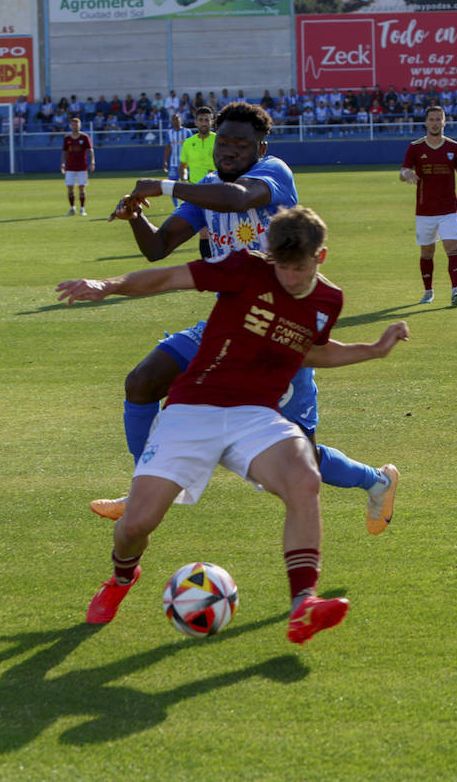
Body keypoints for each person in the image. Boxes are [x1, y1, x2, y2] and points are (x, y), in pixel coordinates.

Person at [57, 206, 411, 643]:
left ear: (320, 258)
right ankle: (121, 579)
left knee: (303, 477)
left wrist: (373, 350)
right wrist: (105, 286)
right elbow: (168, 278)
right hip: (193, 408)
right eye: (280, 266)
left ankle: (304, 603)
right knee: (135, 525)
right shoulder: (244, 269)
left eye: (299, 268)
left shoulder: (328, 301)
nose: (289, 278)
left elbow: (309, 352)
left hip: (255, 414)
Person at [96, 102, 400, 535]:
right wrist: (138, 217)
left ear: (262, 146)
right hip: (225, 326)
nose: (230, 151)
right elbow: (159, 248)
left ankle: (377, 480)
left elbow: (238, 198)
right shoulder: (205, 188)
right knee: (142, 382)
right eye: (224, 142)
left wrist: (165, 186)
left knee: (299, 458)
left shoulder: (274, 174)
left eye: (242, 144)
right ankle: (143, 489)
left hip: (279, 333)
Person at [400, 104, 457, 306]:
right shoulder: (415, 147)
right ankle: (428, 291)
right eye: (432, 119)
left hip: (449, 210)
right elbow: (403, 171)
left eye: (439, 119)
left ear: (445, 121)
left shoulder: (454, 147)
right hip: (425, 211)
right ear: (426, 122)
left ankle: (456, 289)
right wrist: (406, 174)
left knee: (452, 248)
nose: (435, 123)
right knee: (427, 253)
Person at [179, 106, 217, 259]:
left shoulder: (219, 140)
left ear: (211, 122)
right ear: (195, 122)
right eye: (201, 120)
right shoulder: (188, 143)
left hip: (218, 188)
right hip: (197, 191)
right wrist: (183, 179)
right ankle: (208, 263)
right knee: (204, 231)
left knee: (221, 228)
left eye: (207, 120)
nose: (204, 123)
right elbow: (183, 165)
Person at [61, 116, 94, 216]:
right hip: (70, 167)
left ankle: (82, 209)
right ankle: (72, 208)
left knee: (82, 188)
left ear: (80, 125)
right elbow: (64, 152)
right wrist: (63, 164)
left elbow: (90, 150)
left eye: (77, 124)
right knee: (70, 188)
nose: (75, 126)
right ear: (70, 126)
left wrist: (92, 162)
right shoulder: (67, 138)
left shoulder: (84, 137)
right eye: (73, 124)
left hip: (82, 167)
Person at [161, 112, 192, 208]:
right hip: (174, 163)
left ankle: (188, 204)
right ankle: (176, 206)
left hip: (186, 163)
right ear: (171, 121)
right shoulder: (169, 133)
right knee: (172, 186)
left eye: (177, 119)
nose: (176, 121)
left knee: (188, 184)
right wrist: (165, 160)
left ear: (181, 120)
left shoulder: (187, 132)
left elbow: (192, 146)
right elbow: (168, 147)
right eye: (174, 119)